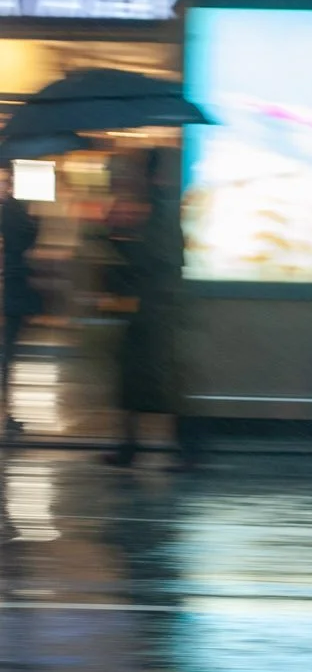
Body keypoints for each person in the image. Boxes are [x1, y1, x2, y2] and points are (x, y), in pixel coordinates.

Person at [103, 148, 198, 469]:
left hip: (155, 312)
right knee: (145, 382)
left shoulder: (162, 209)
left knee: (158, 383)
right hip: (155, 310)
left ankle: (184, 449)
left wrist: (118, 240)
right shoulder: (161, 207)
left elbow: (154, 259)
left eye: (141, 171)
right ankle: (139, 446)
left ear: (152, 174)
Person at [1, 162, 43, 438]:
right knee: (6, 355)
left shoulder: (13, 211)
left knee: (6, 355)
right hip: (10, 291)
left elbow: (23, 242)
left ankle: (7, 413)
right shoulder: (14, 211)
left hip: (10, 291)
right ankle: (7, 415)